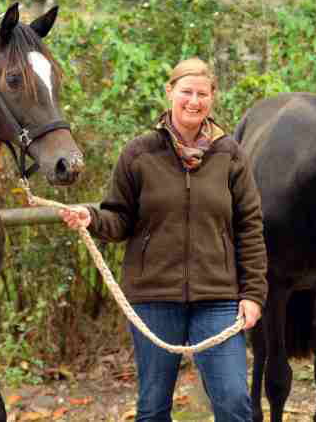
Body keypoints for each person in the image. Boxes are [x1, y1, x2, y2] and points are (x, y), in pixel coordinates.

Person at [59, 57, 267, 422]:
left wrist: (253, 294)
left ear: (212, 97)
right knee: (153, 408)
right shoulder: (139, 154)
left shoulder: (231, 155)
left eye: (202, 94)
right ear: (170, 92)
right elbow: (120, 218)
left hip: (218, 299)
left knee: (234, 403)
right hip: (153, 297)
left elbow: (249, 227)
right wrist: (92, 218)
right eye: (186, 91)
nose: (194, 101)